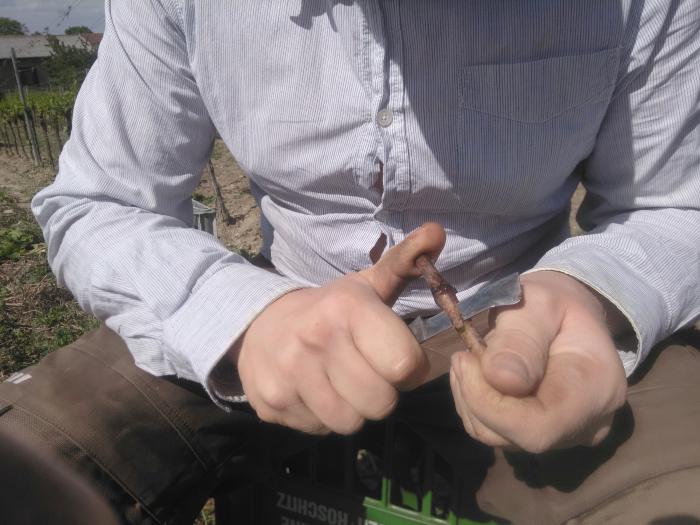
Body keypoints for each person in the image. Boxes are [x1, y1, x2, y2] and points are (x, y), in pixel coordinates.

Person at [2, 1, 698, 523]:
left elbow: (678, 206)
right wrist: (244, 316)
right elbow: (98, 201)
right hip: (273, 321)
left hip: (524, 332)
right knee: (21, 468)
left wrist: (590, 292)